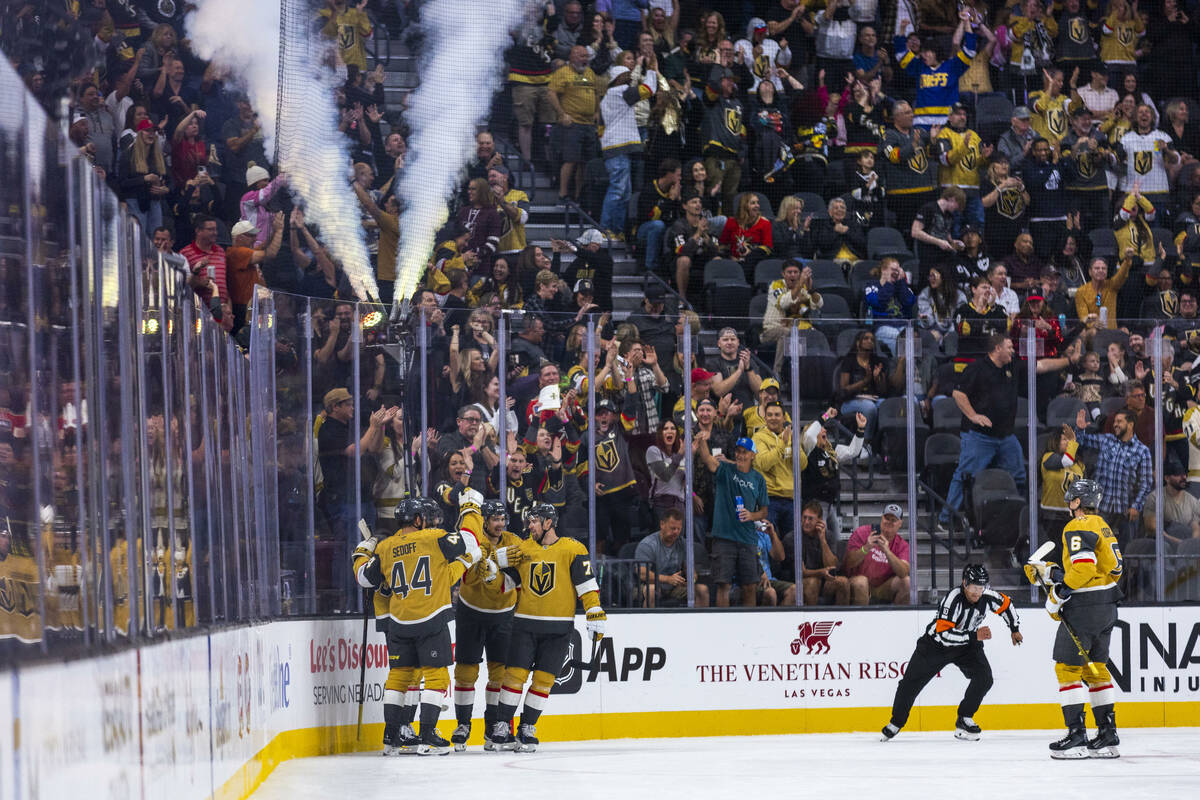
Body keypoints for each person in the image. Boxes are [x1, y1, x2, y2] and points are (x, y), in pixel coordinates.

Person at [351, 494, 483, 755]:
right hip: (430, 619)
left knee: (399, 676)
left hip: (399, 622)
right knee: (436, 677)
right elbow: (469, 540)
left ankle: (391, 737)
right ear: (419, 519)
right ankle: (427, 735)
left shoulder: (386, 547)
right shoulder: (432, 537)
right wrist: (470, 508)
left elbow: (365, 578)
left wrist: (361, 551)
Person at [491, 503, 605, 752]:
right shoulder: (523, 548)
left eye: (534, 521)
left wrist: (594, 611)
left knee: (543, 680)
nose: (529, 526)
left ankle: (528, 727)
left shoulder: (573, 549)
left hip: (559, 628)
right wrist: (493, 570)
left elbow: (586, 584)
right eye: (529, 522)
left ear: (549, 523)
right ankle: (501, 725)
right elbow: (508, 582)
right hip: (524, 624)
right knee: (514, 677)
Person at [1025, 478, 1123, 759]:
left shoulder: (1077, 525)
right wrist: (1052, 573)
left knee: (1067, 668)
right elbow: (1111, 569)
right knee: (1096, 669)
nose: (1069, 504)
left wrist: (1059, 592)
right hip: (1107, 604)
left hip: (1085, 607)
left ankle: (1077, 736)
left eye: (1071, 499)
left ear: (1078, 502)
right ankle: (1107, 734)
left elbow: (1081, 570)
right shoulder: (1102, 526)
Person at [939, 334, 1075, 531]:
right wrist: (973, 415)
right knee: (965, 475)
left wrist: (1069, 361)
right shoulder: (977, 368)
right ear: (997, 349)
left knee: (1019, 475)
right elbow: (958, 393)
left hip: (1005, 437)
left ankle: (1019, 519)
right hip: (979, 436)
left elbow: (1042, 366)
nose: (1013, 350)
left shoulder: (1012, 366)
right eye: (1009, 347)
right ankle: (946, 518)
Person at [881, 564, 1022, 742]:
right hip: (936, 646)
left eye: (981, 587)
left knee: (984, 678)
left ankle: (964, 718)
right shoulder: (952, 600)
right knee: (910, 683)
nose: (977, 592)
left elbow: (1006, 605)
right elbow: (944, 635)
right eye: (973, 587)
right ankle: (896, 723)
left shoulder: (987, 596)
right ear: (964, 583)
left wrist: (1014, 628)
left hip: (967, 645)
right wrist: (974, 635)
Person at [451, 499, 525, 751]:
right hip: (470, 613)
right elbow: (467, 577)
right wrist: (495, 558)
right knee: (465, 671)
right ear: (484, 521)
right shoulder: (472, 542)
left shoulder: (514, 541)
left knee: (500, 673)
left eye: (503, 519)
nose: (500, 524)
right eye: (495, 519)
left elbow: (518, 576)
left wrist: (497, 565)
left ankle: (493, 729)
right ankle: (463, 725)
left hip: (503, 614)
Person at [696, 433, 768, 607]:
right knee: (723, 585)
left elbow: (764, 511)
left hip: (748, 539)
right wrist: (702, 439)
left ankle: (750, 627)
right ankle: (722, 627)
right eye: (738, 451)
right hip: (723, 538)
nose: (740, 455)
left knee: (750, 585)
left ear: (753, 455)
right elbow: (706, 458)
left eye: (744, 452)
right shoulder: (725, 470)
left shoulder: (758, 479)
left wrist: (752, 515)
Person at [1072, 406, 1153, 542]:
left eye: (1119, 421)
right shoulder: (1106, 440)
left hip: (1126, 510)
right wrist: (1080, 430)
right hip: (1102, 507)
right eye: (1115, 421)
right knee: (1097, 546)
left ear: (1130, 424)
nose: (1115, 424)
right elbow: (1081, 442)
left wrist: (1136, 506)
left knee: (1125, 552)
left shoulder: (1142, 451)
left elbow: (1146, 483)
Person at [548, 46, 601, 203]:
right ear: (571, 57)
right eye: (580, 56)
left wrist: (597, 111)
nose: (584, 59)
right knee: (571, 159)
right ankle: (563, 194)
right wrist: (561, 114)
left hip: (589, 124)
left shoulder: (590, 73)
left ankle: (579, 195)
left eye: (586, 56)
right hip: (572, 124)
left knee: (585, 162)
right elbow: (551, 93)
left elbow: (596, 93)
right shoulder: (563, 73)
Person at [635, 508, 710, 608]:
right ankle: (648, 623)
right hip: (649, 585)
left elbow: (689, 569)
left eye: (679, 529)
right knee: (651, 590)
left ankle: (699, 622)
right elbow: (642, 574)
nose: (676, 532)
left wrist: (691, 580)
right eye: (672, 528)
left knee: (702, 590)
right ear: (662, 524)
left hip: (675, 587)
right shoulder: (648, 544)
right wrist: (668, 579)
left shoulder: (682, 543)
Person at [753, 401, 804, 539]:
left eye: (777, 415)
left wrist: (793, 444)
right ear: (765, 418)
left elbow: (802, 464)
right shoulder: (758, 438)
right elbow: (764, 463)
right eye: (769, 415)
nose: (773, 418)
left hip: (791, 499)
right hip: (768, 500)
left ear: (784, 418)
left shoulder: (791, 437)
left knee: (793, 543)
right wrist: (782, 444)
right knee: (769, 541)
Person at [843, 504, 911, 605]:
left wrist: (887, 551)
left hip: (882, 586)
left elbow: (903, 572)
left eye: (893, 520)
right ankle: (862, 620)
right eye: (887, 518)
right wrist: (866, 548)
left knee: (907, 582)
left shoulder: (902, 545)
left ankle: (897, 620)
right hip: (857, 581)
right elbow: (848, 563)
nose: (889, 522)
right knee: (861, 582)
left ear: (900, 524)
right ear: (881, 518)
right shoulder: (862, 532)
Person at [793, 501, 849, 605]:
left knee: (843, 582)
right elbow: (801, 572)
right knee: (813, 582)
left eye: (810, 519)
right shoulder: (793, 537)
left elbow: (832, 566)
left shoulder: (829, 536)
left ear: (820, 521)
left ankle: (840, 620)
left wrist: (822, 540)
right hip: (800, 581)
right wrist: (821, 572)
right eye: (804, 517)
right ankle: (811, 621)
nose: (806, 522)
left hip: (825, 581)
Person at [1142, 458, 1200, 547]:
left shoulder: (1192, 501)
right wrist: (1178, 542)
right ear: (1167, 478)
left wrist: (1190, 544)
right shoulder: (1155, 498)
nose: (1184, 477)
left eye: (1184, 474)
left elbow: (1196, 527)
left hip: (1184, 546)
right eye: (1178, 474)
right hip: (1160, 546)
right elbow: (1152, 528)